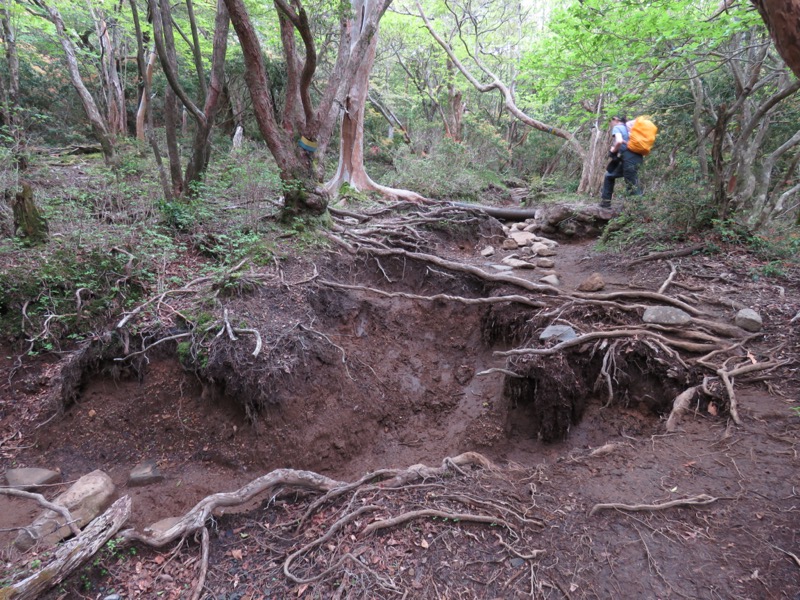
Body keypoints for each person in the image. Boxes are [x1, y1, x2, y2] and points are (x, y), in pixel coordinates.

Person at [600, 116, 643, 208]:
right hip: (635, 158)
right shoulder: (629, 129)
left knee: (631, 182)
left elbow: (619, 141)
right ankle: (605, 202)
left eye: (610, 121)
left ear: (615, 119)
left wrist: (612, 151)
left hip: (629, 159)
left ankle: (637, 209)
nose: (610, 124)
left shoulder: (617, 127)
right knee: (609, 175)